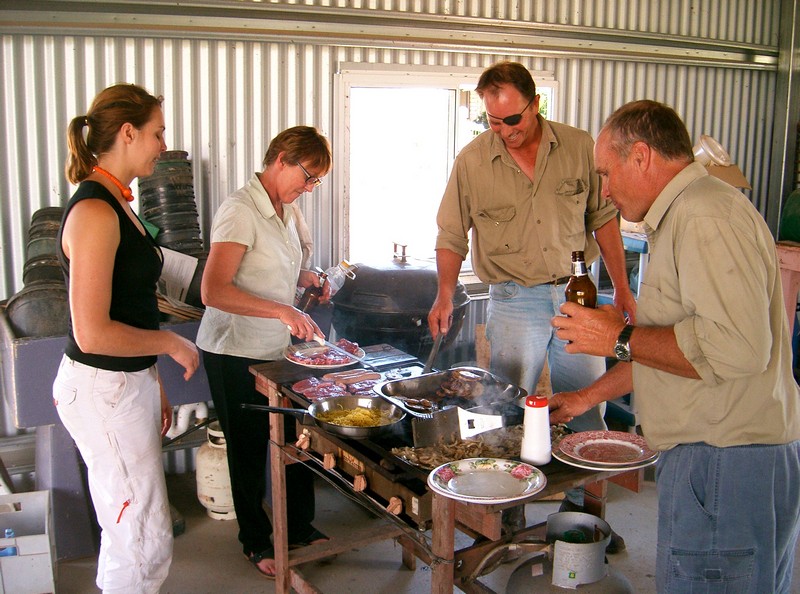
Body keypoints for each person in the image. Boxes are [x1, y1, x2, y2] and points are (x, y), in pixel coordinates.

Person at [550, 99, 800, 592]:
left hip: (726, 459)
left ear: (640, 156)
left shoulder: (706, 214)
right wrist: (586, 397)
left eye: (607, 172)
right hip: (719, 456)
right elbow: (675, 346)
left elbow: (737, 350)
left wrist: (616, 335)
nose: (605, 190)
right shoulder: (688, 213)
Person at [428, 61, 636, 551]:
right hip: (512, 298)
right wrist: (442, 292)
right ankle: (505, 524)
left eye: (512, 120)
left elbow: (604, 218)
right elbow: (451, 234)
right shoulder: (473, 161)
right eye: (492, 122)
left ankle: (585, 519)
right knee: (506, 413)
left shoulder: (580, 146)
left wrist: (622, 291)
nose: (502, 132)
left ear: (535, 104)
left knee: (586, 407)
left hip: (576, 297)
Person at [53, 83, 200, 593]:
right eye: (158, 133)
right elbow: (92, 331)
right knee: (139, 535)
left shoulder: (120, 202)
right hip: (102, 386)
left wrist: (151, 378)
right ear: (128, 131)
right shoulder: (95, 211)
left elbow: (129, 305)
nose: (163, 144)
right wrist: (169, 344)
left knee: (138, 526)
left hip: (123, 381)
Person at [196, 126, 332, 579]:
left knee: (295, 439)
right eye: (308, 176)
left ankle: (298, 528)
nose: (309, 188)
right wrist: (280, 310)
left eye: (316, 182)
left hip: (276, 347)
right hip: (234, 350)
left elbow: (271, 271)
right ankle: (254, 540)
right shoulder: (240, 210)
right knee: (249, 446)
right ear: (282, 160)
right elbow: (214, 290)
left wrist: (305, 278)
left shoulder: (286, 210)